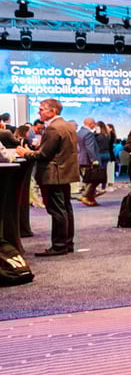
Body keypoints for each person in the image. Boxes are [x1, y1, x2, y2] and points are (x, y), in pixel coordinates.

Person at [17, 98, 78, 256]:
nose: (39, 112)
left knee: (57, 211)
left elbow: (44, 155)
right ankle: (67, 243)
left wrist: (26, 153)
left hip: (53, 174)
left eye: (42, 109)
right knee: (65, 209)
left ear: (53, 111)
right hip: (63, 173)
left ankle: (59, 246)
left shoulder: (53, 128)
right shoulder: (68, 125)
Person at [76, 117, 101, 206]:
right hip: (88, 160)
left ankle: (91, 199)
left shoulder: (79, 132)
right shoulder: (88, 134)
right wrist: (94, 160)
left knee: (87, 180)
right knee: (94, 179)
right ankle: (85, 196)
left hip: (80, 159)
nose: (95, 125)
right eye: (94, 123)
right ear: (91, 124)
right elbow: (90, 148)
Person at [93, 119, 113, 195]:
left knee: (97, 171)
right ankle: (103, 186)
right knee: (104, 171)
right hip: (107, 154)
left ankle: (94, 187)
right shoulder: (108, 135)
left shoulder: (97, 136)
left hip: (99, 154)